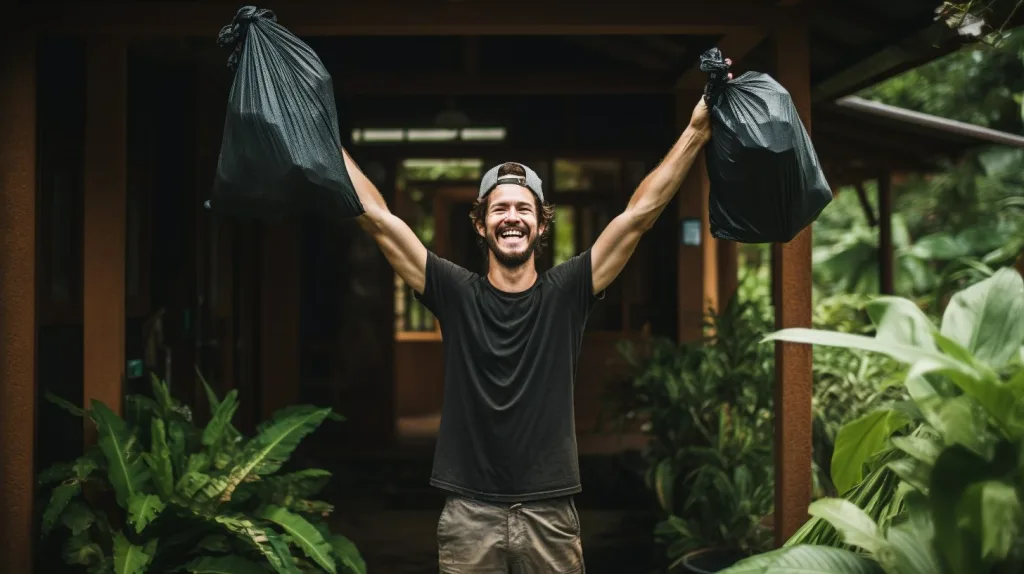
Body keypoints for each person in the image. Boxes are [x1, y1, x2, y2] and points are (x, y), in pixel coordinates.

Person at [341, 91, 719, 573]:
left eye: (524, 208)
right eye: (499, 209)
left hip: (550, 513)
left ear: (541, 225)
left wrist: (696, 131)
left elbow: (638, 216)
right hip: (469, 513)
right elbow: (379, 220)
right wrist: (322, 134)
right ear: (481, 225)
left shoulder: (568, 292)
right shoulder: (455, 292)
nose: (512, 217)